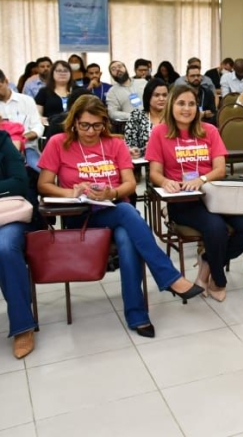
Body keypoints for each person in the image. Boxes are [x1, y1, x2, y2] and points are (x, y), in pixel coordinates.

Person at [38, 95, 204, 339]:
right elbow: (43, 185)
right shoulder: (58, 142)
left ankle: (138, 314)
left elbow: (129, 183)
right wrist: (72, 191)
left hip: (114, 209)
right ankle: (168, 277)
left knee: (127, 236)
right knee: (127, 212)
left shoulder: (115, 144)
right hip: (81, 215)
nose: (91, 131)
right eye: (84, 125)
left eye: (97, 125)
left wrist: (111, 192)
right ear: (74, 122)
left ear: (104, 123)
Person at [147, 85, 243, 302]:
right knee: (216, 228)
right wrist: (166, 182)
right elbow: (154, 173)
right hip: (183, 201)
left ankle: (208, 260)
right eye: (181, 103)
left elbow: (220, 169)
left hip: (214, 195)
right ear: (171, 104)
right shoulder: (159, 133)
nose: (187, 108)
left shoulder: (209, 130)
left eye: (191, 103)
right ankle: (218, 280)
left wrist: (201, 179)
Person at [0, 128, 37, 358]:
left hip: (8, 216)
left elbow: (19, 183)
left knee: (4, 247)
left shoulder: (2, 140)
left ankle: (23, 325)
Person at [0, 69, 44, 170]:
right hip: (2, 149)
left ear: (6, 82)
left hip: (28, 147)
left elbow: (38, 126)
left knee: (41, 171)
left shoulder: (26, 100)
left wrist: (22, 138)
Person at [124, 78, 168, 158]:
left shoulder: (173, 117)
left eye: (165, 95)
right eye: (156, 95)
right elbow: (130, 146)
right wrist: (141, 150)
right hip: (144, 165)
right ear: (148, 97)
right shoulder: (137, 116)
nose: (161, 99)